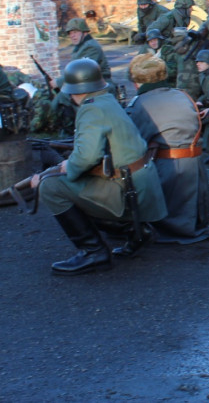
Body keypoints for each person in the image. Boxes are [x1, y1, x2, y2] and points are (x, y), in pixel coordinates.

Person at [34, 58, 168, 275]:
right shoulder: (106, 99)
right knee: (66, 183)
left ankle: (93, 252)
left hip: (128, 190)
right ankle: (136, 231)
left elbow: (86, 158)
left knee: (50, 187)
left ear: (75, 90)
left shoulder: (91, 110)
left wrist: (65, 169)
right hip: (140, 184)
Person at [125, 54, 209, 242]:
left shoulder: (140, 105)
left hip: (168, 172)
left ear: (136, 82)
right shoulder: (184, 95)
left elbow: (131, 144)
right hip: (195, 170)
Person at [50, 17, 112, 135]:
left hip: (100, 83)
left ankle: (56, 127)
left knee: (62, 97)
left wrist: (58, 82)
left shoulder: (90, 47)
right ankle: (67, 128)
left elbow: (84, 71)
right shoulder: (81, 47)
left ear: (84, 32)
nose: (72, 36)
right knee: (63, 95)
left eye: (75, 32)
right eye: (70, 33)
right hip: (88, 83)